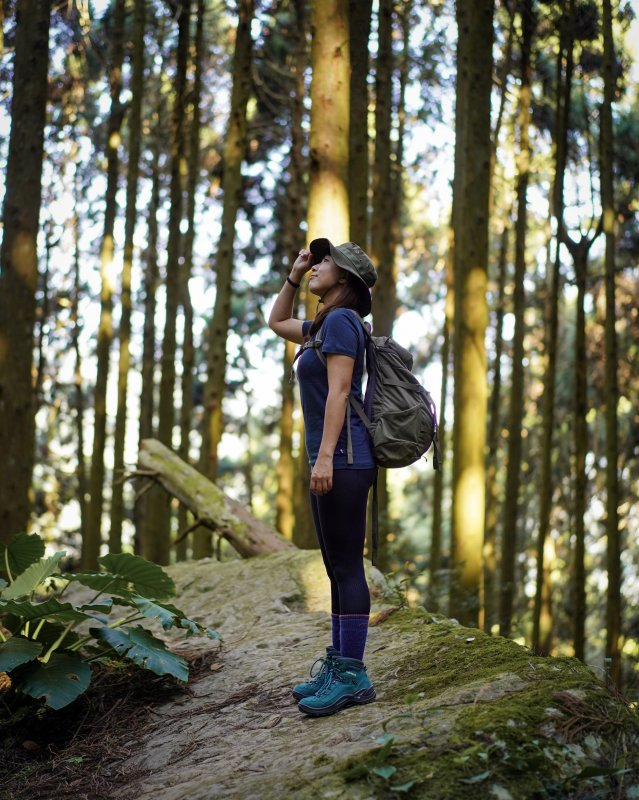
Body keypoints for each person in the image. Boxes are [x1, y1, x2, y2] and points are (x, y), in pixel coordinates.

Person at [268, 237, 378, 717]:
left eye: (326, 261)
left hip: (346, 459)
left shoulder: (339, 322)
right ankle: (340, 666)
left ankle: (354, 676)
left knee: (349, 566)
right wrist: (295, 274)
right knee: (335, 566)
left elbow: (338, 393)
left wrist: (326, 458)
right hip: (334, 456)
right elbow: (275, 322)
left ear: (346, 280)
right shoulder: (321, 325)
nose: (318, 265)